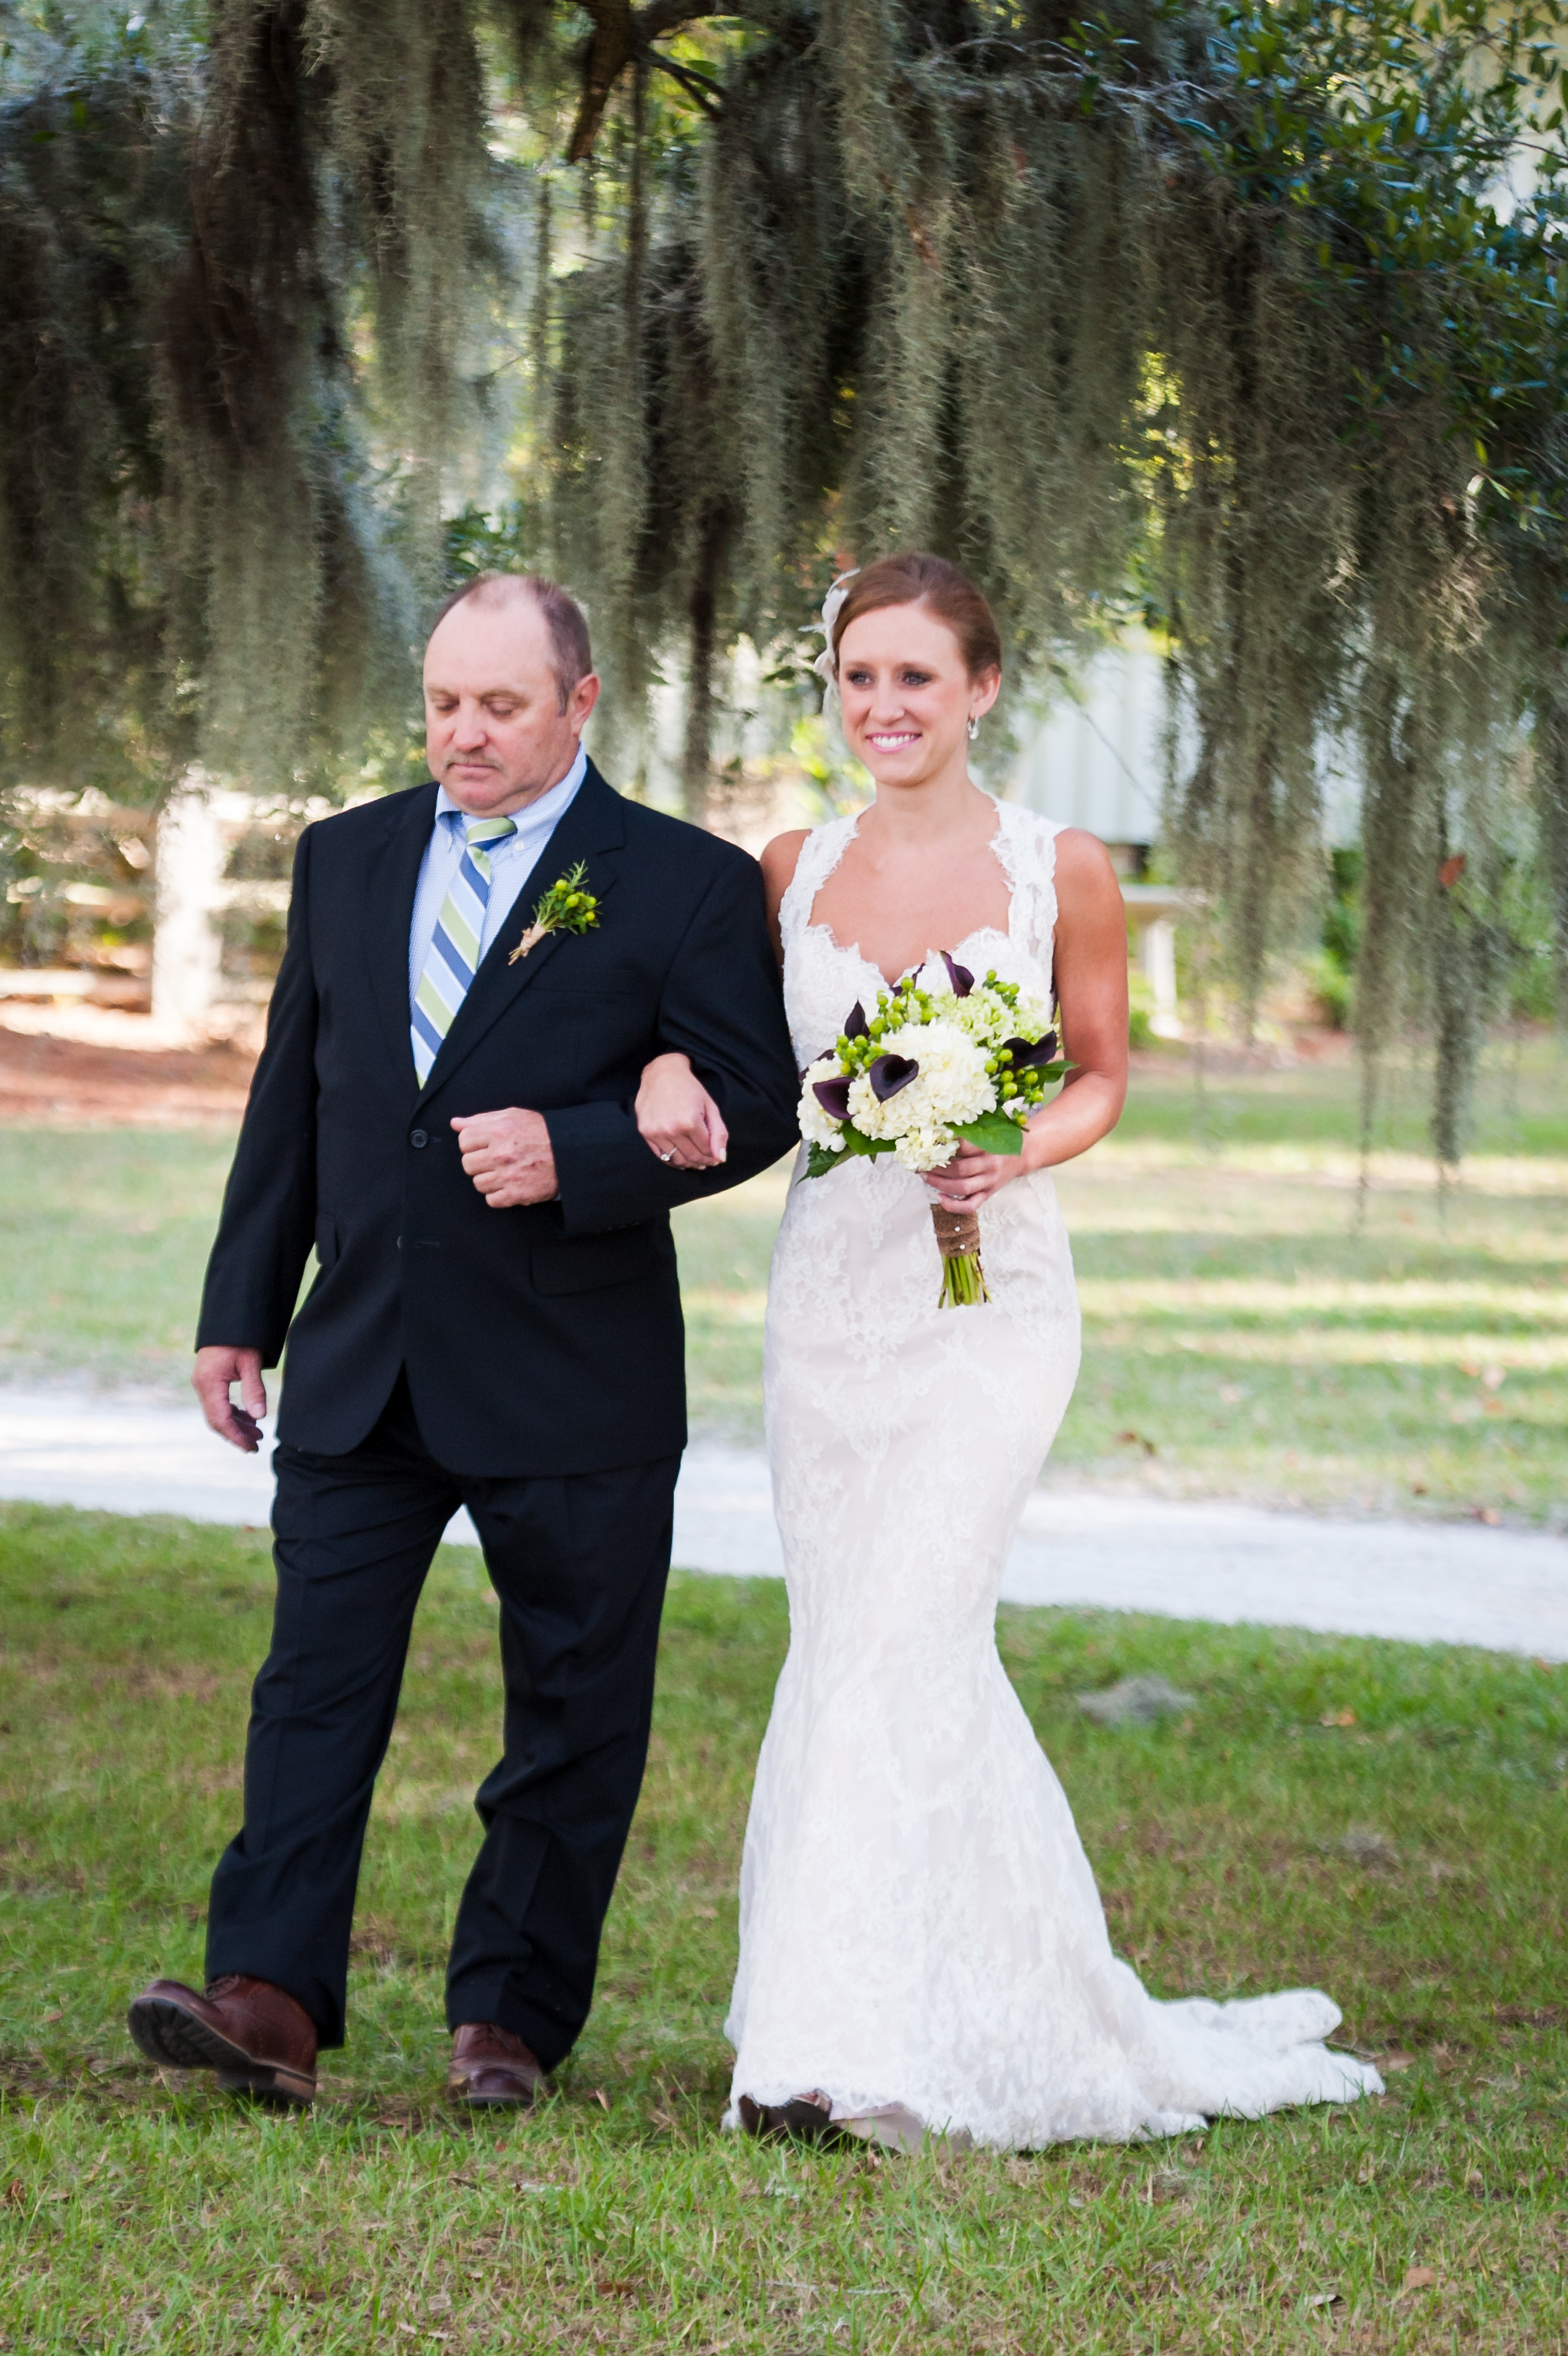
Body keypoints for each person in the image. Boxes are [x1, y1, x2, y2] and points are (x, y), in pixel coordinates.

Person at [635, 552, 1383, 2149]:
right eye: (858, 677)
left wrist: (1011, 1150)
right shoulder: (786, 868)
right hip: (832, 1304)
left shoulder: (1065, 867)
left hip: (995, 1310)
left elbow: (1102, 1073)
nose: (884, 705)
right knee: (860, 1648)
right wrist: (660, 1081)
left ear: (980, 688)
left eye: (917, 675)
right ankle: (948, 2006)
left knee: (906, 1632)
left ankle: (831, 2063)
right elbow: (727, 1050)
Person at [128, 572, 800, 2109]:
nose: (462, 733)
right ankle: (270, 1996)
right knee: (312, 1683)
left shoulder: (683, 882)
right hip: (361, 1352)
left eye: (499, 704)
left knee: (572, 1703)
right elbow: (294, 1098)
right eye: (442, 702)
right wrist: (240, 1312)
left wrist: (584, 1152)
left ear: (579, 703)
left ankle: (509, 2015)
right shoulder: (347, 856)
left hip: (575, 1365)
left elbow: (754, 1099)